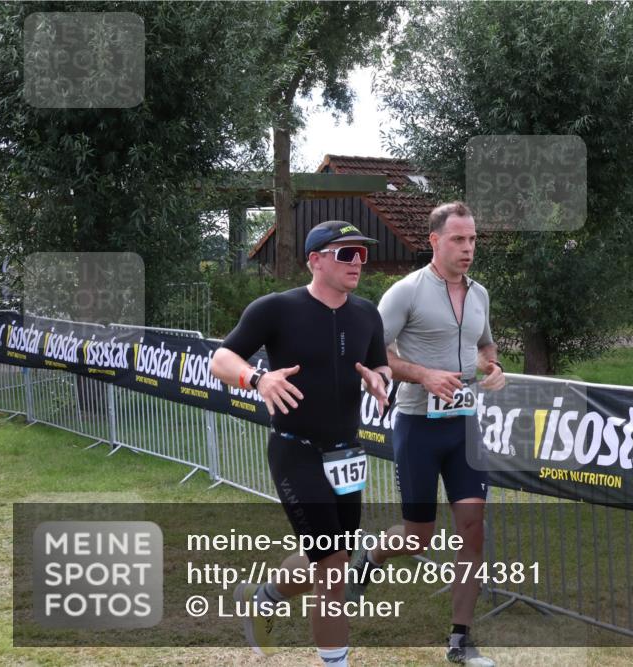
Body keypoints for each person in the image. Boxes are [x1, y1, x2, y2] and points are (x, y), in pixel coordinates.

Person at [210, 220, 391, 665]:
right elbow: (220, 359)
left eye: (362, 254)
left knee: (333, 557)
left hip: (346, 453)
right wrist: (257, 377)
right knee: (331, 565)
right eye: (346, 254)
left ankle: (263, 597)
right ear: (315, 260)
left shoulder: (367, 313)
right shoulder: (276, 308)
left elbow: (381, 366)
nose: (358, 263)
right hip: (295, 450)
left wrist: (379, 379)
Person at [346, 201, 506, 666]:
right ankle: (372, 557)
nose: (468, 248)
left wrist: (492, 367)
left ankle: (460, 639)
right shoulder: (406, 292)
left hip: (465, 426)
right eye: (458, 239)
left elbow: (485, 346)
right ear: (434, 241)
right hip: (417, 425)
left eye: (472, 239)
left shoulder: (479, 294)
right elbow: (372, 353)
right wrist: (423, 375)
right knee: (418, 536)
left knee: (472, 531)